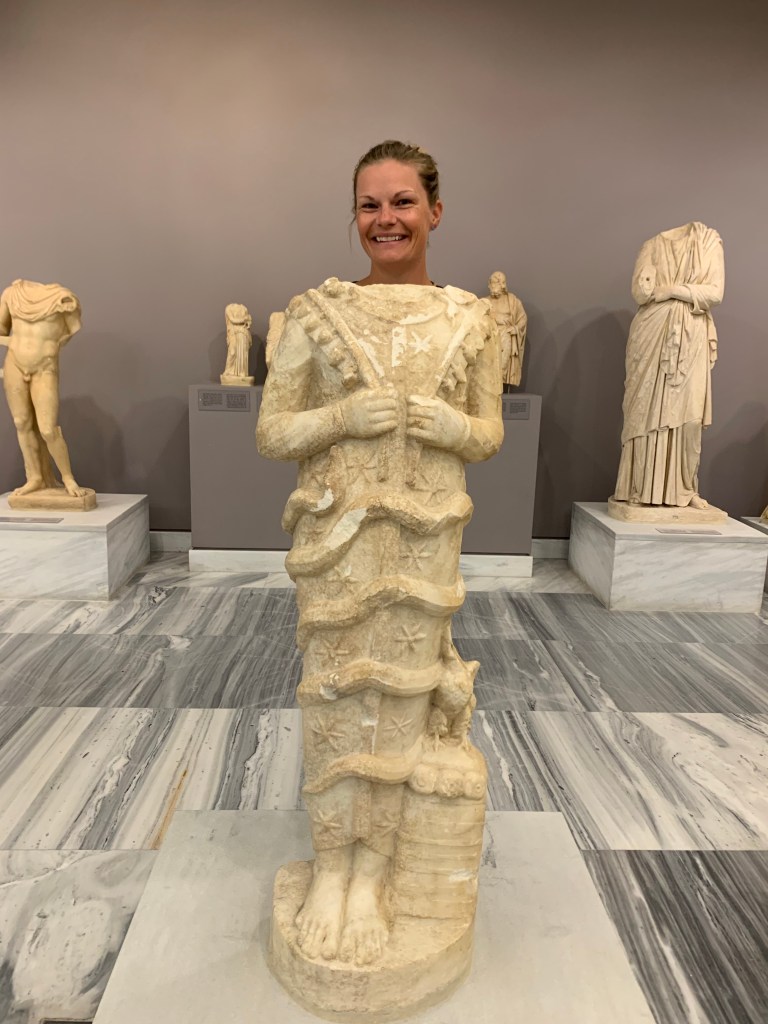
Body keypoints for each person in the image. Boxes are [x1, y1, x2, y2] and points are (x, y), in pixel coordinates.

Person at [257, 141, 503, 970]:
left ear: (434, 211)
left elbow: (488, 431)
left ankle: (371, 879)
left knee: (401, 703)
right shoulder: (315, 314)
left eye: (402, 202)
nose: (385, 219)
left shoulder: (471, 320)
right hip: (338, 546)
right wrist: (342, 419)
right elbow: (273, 431)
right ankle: (330, 871)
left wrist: (457, 428)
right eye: (370, 205)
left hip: (425, 545)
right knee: (332, 703)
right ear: (354, 215)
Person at [613, 222, 724, 510]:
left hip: (692, 335)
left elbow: (715, 292)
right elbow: (640, 294)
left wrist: (671, 290)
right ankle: (638, 487)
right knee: (643, 414)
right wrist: (647, 285)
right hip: (650, 332)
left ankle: (685, 489)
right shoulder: (651, 246)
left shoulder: (708, 240)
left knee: (690, 420)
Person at [0, 279, 89, 498]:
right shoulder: (12, 294)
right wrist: (13, 342)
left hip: (44, 368)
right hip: (14, 365)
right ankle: (35, 478)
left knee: (47, 429)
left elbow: (70, 331)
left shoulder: (63, 300)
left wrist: (50, 348)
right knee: (21, 423)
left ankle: (68, 478)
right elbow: (1, 328)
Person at [486, 270, 527, 387]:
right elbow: (478, 319)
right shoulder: (485, 302)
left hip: (505, 336)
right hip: (489, 337)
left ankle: (498, 385)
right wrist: (494, 318)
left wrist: (516, 328)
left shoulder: (513, 301)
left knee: (502, 365)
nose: (491, 286)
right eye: (491, 283)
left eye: (494, 283)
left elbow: (523, 318)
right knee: (489, 365)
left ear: (502, 284)